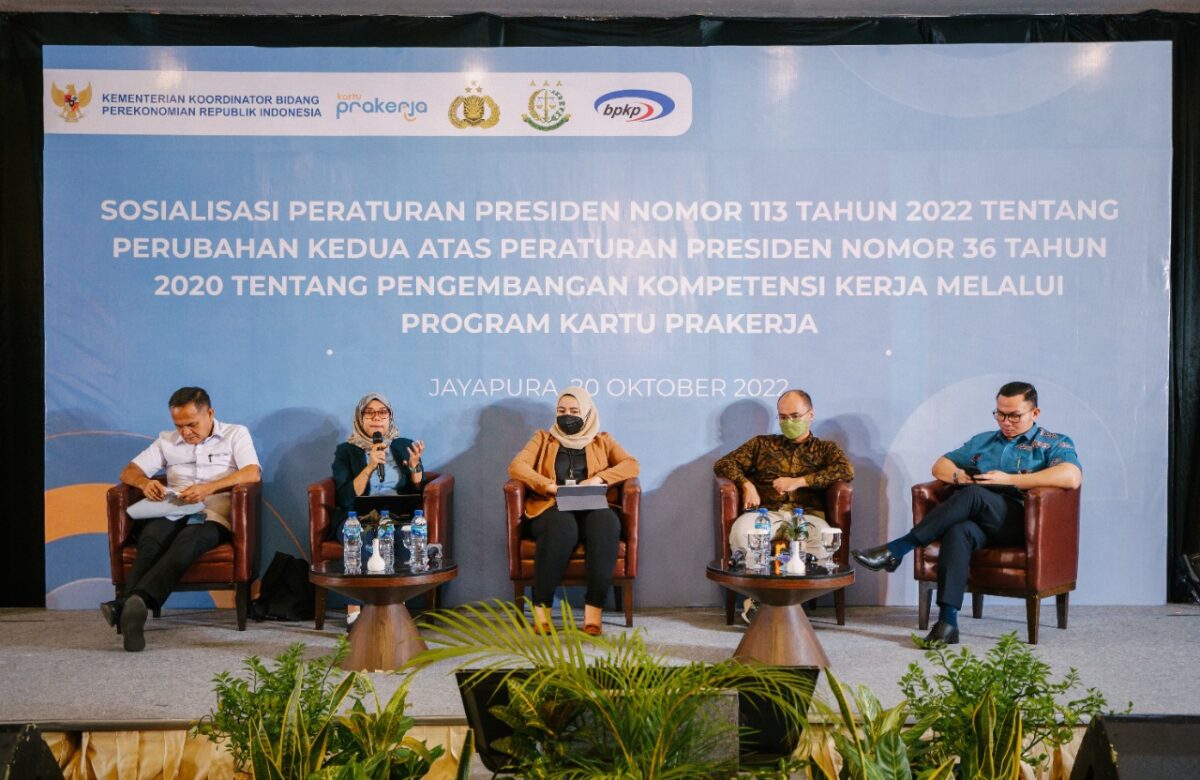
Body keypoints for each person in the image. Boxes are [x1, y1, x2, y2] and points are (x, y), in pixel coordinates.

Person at [852, 381, 1082, 646]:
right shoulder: (983, 442)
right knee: (958, 531)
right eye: (1000, 414)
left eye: (1014, 416)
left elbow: (1071, 476)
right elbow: (940, 465)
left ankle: (898, 548)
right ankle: (947, 622)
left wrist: (1009, 479)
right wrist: (957, 475)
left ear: (1035, 413)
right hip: (983, 521)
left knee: (974, 495)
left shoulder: (1052, 442)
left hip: (1023, 523)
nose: (1006, 422)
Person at [101, 387, 261, 652]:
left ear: (210, 413)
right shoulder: (167, 441)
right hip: (171, 509)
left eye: (191, 424)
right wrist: (144, 483)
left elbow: (252, 472)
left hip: (212, 515)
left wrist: (208, 488)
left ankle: (130, 603)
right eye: (179, 425)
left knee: (186, 543)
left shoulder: (235, 434)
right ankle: (134, 605)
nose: (185, 432)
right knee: (150, 540)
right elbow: (128, 471)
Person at [714, 388, 854, 621]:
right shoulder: (762, 445)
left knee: (822, 540)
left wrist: (799, 482)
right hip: (766, 514)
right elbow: (724, 464)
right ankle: (758, 599)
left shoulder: (825, 449)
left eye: (795, 416)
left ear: (810, 415)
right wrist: (746, 484)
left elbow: (846, 470)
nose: (789, 422)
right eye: (783, 417)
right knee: (742, 532)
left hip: (806, 516)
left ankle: (794, 601)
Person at [508, 386, 639, 636]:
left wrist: (599, 479)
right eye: (561, 411)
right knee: (562, 527)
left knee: (606, 524)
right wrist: (548, 486)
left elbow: (631, 465)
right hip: (552, 505)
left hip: (591, 503)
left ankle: (593, 611)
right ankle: (542, 610)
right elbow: (517, 467)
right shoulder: (542, 439)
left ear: (587, 413)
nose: (567, 416)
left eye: (574, 411)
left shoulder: (603, 440)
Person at [331, 393, 425, 625]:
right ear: (360, 418)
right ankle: (355, 609)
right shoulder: (346, 451)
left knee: (403, 535)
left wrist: (415, 468)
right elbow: (344, 496)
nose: (376, 418)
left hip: (396, 516)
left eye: (382, 412)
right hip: (356, 516)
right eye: (370, 413)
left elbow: (418, 489)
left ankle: (396, 607)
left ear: (390, 417)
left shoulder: (403, 446)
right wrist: (370, 466)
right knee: (360, 537)